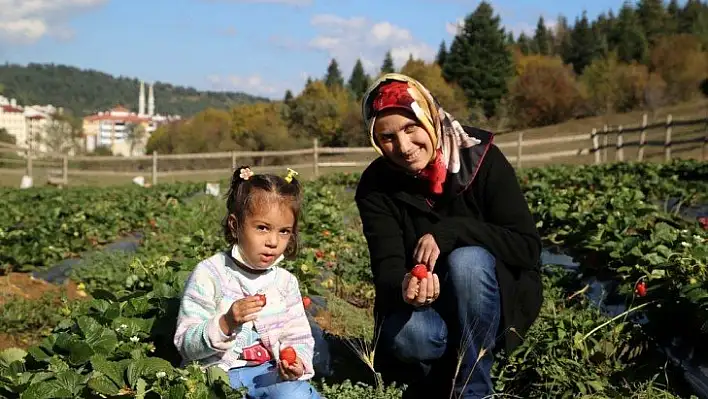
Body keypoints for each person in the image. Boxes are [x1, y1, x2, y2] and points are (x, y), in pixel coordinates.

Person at [354, 73, 543, 398]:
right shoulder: (376, 186)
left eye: (410, 127)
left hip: (490, 300)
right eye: (388, 137)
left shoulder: (480, 159)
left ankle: (473, 389)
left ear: (428, 117)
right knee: (411, 337)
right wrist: (405, 286)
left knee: (468, 261)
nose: (404, 146)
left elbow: (527, 248)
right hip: (429, 309)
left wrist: (452, 232)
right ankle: (443, 378)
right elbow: (386, 268)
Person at [174, 166, 323, 399]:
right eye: (262, 228)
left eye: (284, 232)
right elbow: (185, 343)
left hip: (268, 373)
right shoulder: (210, 274)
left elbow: (298, 337)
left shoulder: (285, 283)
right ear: (235, 225)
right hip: (215, 375)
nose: (273, 241)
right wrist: (226, 322)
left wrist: (296, 361)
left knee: (297, 395)